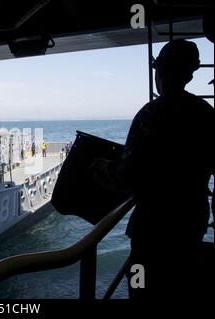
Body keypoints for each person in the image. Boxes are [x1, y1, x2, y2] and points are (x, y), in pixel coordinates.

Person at [91, 39, 215, 300]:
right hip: (191, 221)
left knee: (143, 288)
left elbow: (128, 176)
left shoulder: (151, 114)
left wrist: (101, 167)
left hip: (154, 228)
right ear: (189, 74)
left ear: (161, 72)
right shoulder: (206, 113)